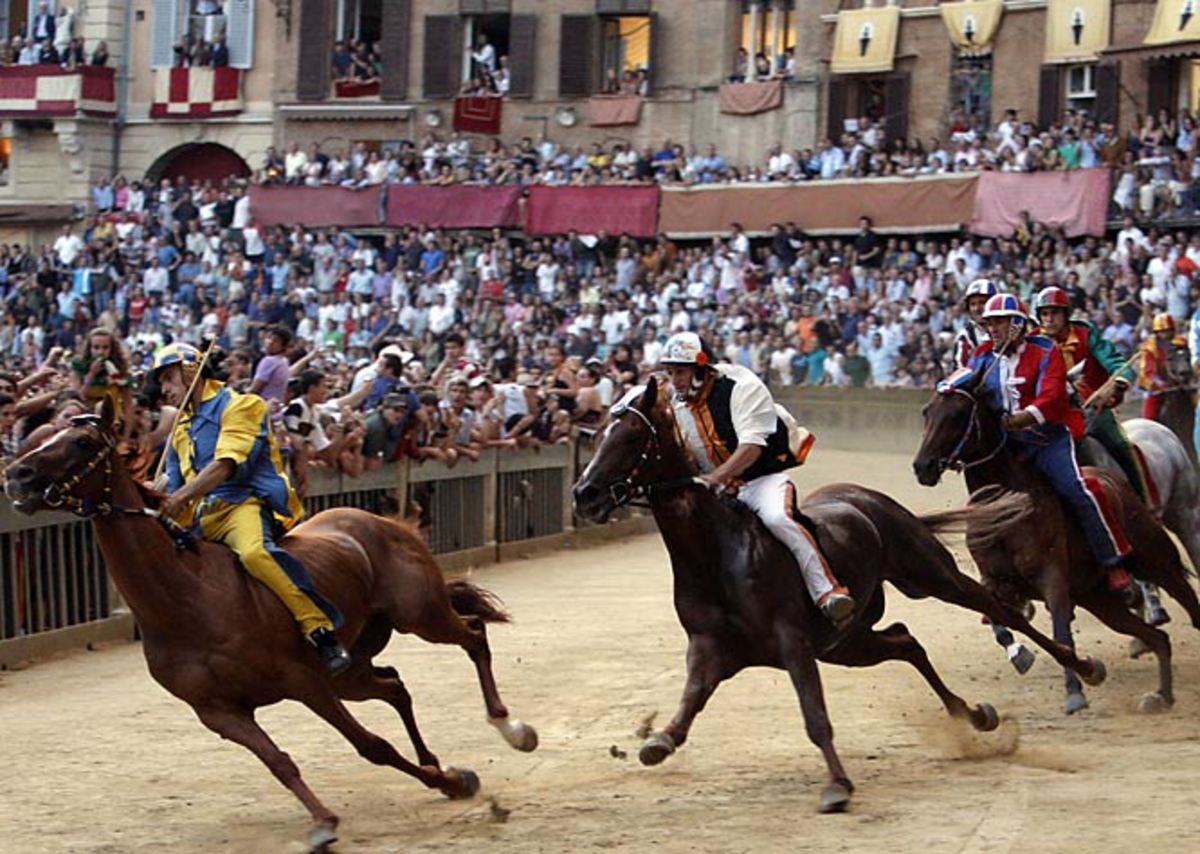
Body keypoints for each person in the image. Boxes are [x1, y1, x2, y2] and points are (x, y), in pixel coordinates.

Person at [150, 343, 352, 674]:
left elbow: (225, 465)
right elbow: (169, 480)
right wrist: (149, 495)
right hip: (200, 514)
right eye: (161, 383)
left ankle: (319, 630)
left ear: (191, 372)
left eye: (169, 379)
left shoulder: (241, 405)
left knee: (255, 554)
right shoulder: (181, 428)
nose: (164, 390)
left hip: (240, 504)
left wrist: (179, 497)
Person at [659, 332, 855, 625]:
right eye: (672, 372)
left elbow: (751, 447)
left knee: (778, 519)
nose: (676, 380)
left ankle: (827, 591)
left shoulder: (742, 387)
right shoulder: (674, 404)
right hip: (718, 490)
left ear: (701, 369)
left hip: (761, 481)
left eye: (682, 372)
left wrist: (716, 478)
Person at [942, 294, 1134, 593]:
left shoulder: (1045, 351)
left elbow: (1052, 397)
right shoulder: (983, 355)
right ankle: (998, 579)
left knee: (1078, 488)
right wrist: (945, 388)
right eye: (989, 323)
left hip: (1049, 439)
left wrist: (1024, 418)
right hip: (1010, 444)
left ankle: (1113, 559)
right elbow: (961, 377)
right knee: (981, 503)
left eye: (999, 322)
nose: (991, 328)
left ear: (1017, 324)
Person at [1033, 286, 1157, 510]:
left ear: (1066, 314)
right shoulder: (1033, 342)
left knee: (1121, 445)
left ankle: (1146, 501)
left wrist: (1117, 384)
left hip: (1091, 408)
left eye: (1054, 313)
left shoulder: (1085, 334)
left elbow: (1116, 363)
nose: (1049, 319)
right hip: (1051, 412)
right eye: (1044, 314)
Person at [1138, 313, 1188, 420]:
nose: (1166, 334)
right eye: (1162, 331)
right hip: (1157, 385)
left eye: (1168, 330)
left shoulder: (1181, 342)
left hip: (1181, 382)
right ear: (1157, 332)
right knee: (1150, 413)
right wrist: (1160, 383)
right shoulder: (1149, 347)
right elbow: (1148, 370)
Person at [949, 278, 996, 371]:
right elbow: (959, 370)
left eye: (982, 302)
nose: (977, 309)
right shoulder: (964, 337)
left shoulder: (1008, 329)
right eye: (973, 304)